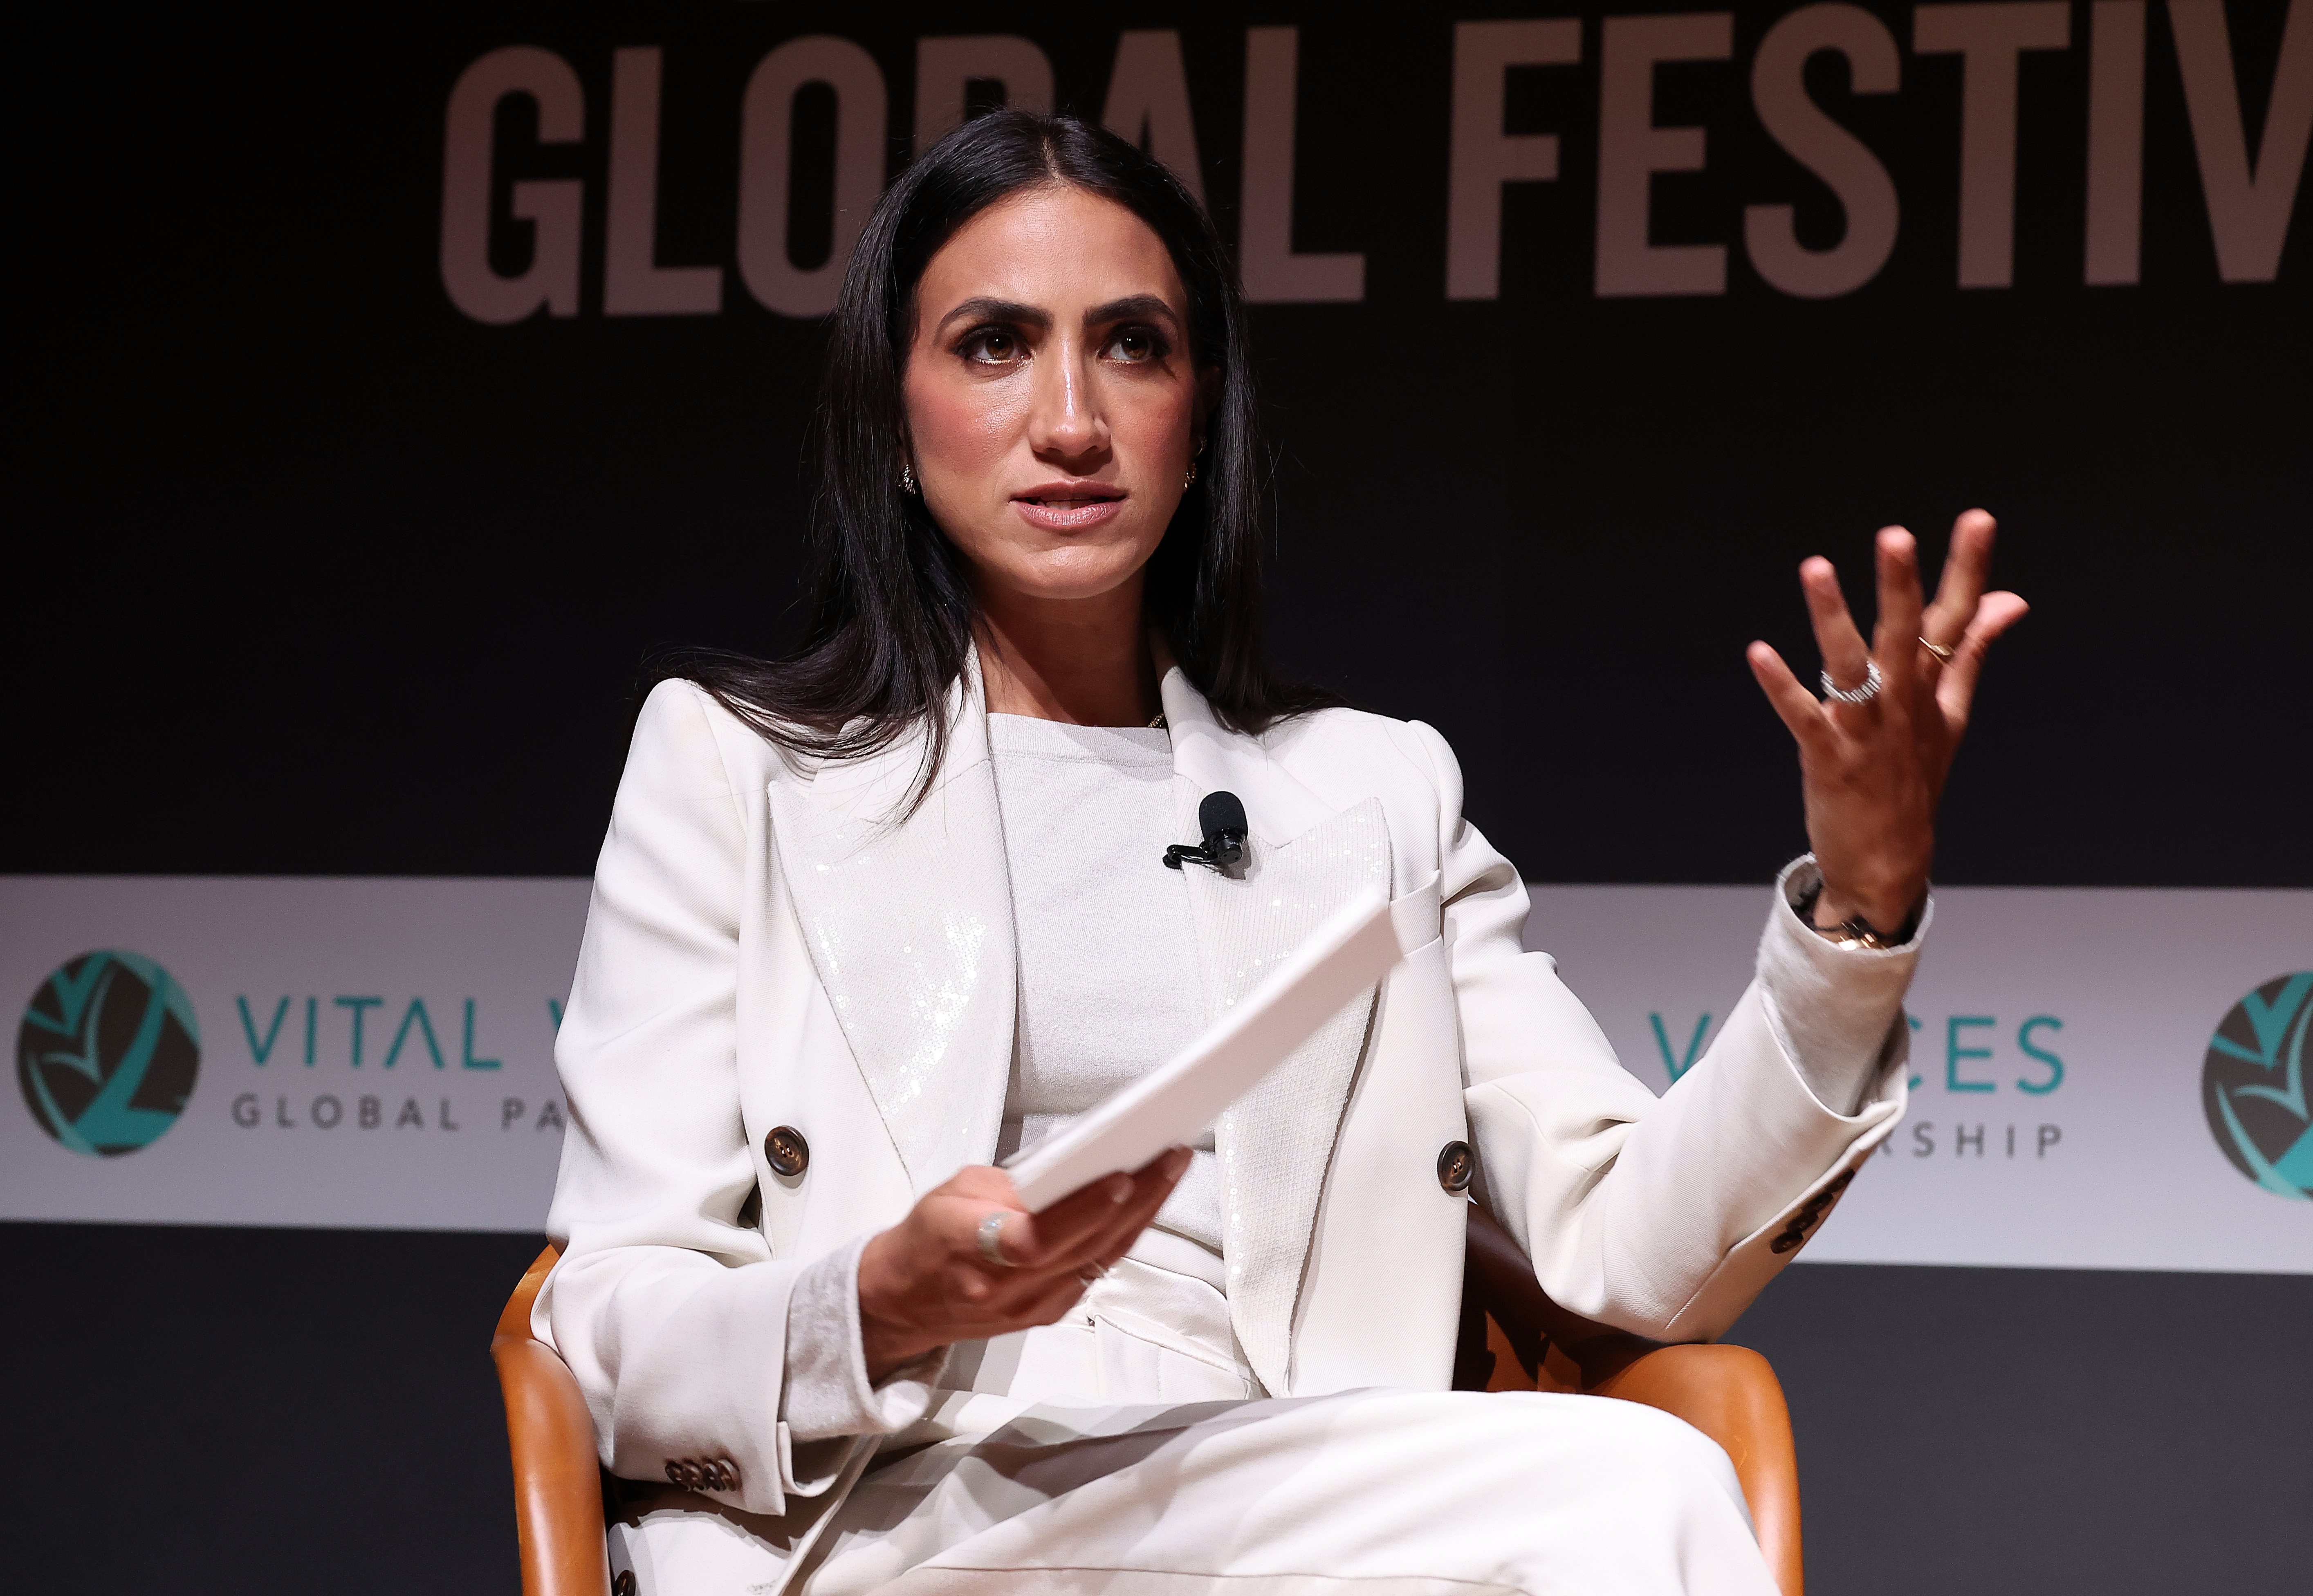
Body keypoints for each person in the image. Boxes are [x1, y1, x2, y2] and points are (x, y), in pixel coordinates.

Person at [536, 111, 2026, 1596]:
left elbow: (1634, 1251)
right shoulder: (739, 766)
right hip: (894, 1507)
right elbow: (605, 1313)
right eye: (994, 344)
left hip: (1278, 1495)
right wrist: (872, 1304)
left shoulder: (1372, 793)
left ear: (1200, 419)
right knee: (1638, 1498)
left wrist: (1857, 907)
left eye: (1132, 345)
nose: (1070, 418)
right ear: (894, 418)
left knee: (1653, 1480)